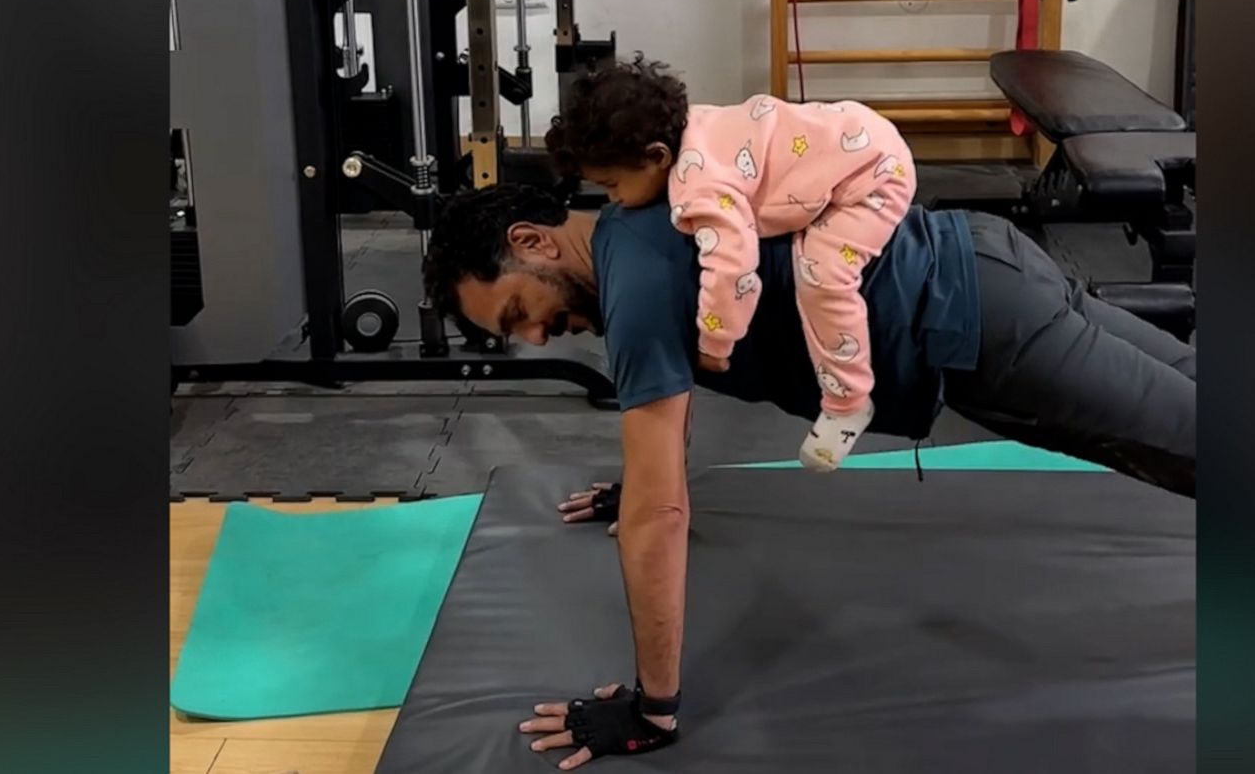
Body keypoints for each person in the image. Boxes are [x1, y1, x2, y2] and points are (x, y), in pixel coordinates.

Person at [422, 182, 1195, 771]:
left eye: (518, 309)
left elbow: (659, 519)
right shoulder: (638, 223)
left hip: (984, 327)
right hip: (987, 257)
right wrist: (646, 483)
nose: (534, 334)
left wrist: (651, 709)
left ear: (534, 241)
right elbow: (665, 421)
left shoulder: (631, 296)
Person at [546, 58, 918, 471]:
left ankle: (848, 401)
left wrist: (716, 341)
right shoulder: (693, 124)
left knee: (822, 276)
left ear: (657, 156)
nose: (613, 201)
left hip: (872, 177)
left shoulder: (698, 184)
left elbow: (734, 267)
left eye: (612, 186)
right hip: (856, 136)